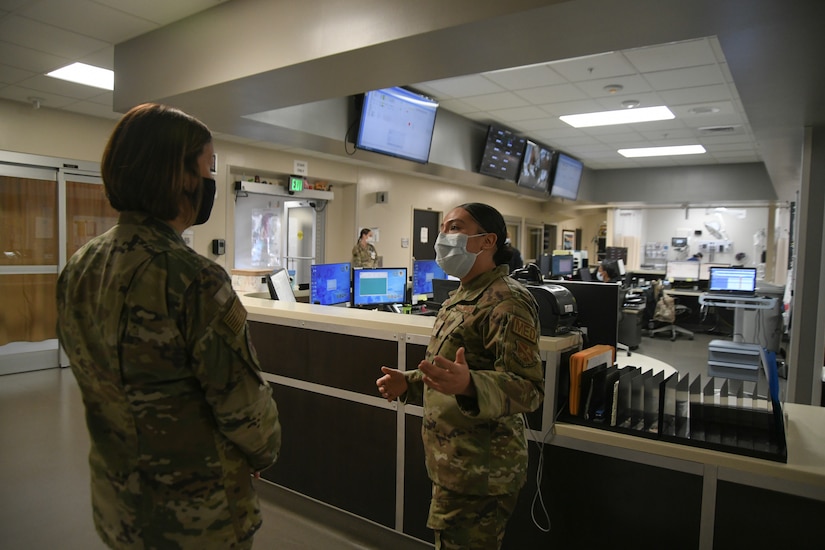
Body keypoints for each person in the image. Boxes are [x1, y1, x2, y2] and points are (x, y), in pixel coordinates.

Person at [56, 103, 282, 550]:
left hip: (118, 501)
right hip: (196, 516)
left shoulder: (80, 265)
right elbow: (243, 408)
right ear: (179, 177)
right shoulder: (192, 277)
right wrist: (260, 450)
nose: (212, 181)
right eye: (208, 167)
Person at [375, 202, 543, 549]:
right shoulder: (462, 295)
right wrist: (410, 382)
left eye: (455, 227)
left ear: (487, 241)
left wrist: (470, 384)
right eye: (443, 228)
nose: (443, 236)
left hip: (482, 471)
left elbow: (528, 389)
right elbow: (450, 374)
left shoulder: (507, 301)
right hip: (454, 460)